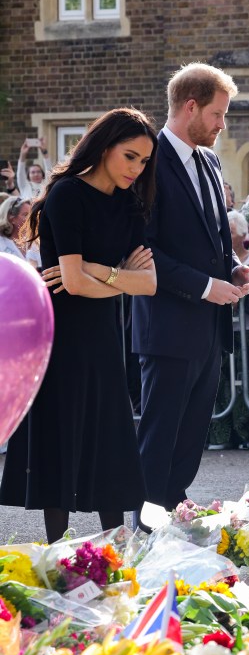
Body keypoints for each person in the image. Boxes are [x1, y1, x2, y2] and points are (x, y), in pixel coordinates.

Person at [0, 108, 158, 543]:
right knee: (60, 433)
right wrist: (116, 277)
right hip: (62, 334)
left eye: (143, 161)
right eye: (130, 157)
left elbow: (148, 283)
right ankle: (57, 551)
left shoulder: (130, 203)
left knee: (109, 435)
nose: (136, 168)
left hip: (104, 334)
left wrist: (97, 272)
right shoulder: (67, 194)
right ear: (105, 148)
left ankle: (115, 548)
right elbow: (70, 284)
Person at [132, 62, 249, 513]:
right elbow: (142, 250)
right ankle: (143, 520)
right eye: (218, 114)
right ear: (190, 107)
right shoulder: (148, 162)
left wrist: (236, 267)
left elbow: (216, 237)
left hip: (209, 324)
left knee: (192, 430)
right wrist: (205, 286)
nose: (223, 125)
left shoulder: (210, 159)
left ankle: (174, 507)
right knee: (160, 431)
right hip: (167, 323)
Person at [208, 210, 249, 450]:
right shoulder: (215, 257)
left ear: (244, 234)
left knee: (246, 382)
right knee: (219, 383)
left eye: (230, 232)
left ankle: (244, 434)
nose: (226, 236)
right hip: (221, 326)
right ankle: (220, 434)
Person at [0, 196, 40, 267]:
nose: (31, 218)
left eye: (31, 214)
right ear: (11, 218)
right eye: (26, 215)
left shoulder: (35, 241)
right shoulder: (2, 243)